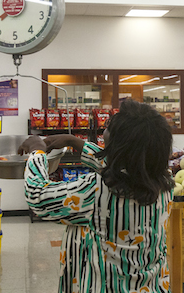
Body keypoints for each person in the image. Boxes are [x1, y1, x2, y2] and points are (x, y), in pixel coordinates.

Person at [18, 100, 174, 293]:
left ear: (120, 145)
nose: (104, 132)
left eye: (109, 129)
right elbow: (125, 163)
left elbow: (38, 195)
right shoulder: (163, 181)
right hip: (152, 286)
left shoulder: (98, 190)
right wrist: (75, 142)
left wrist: (37, 152)